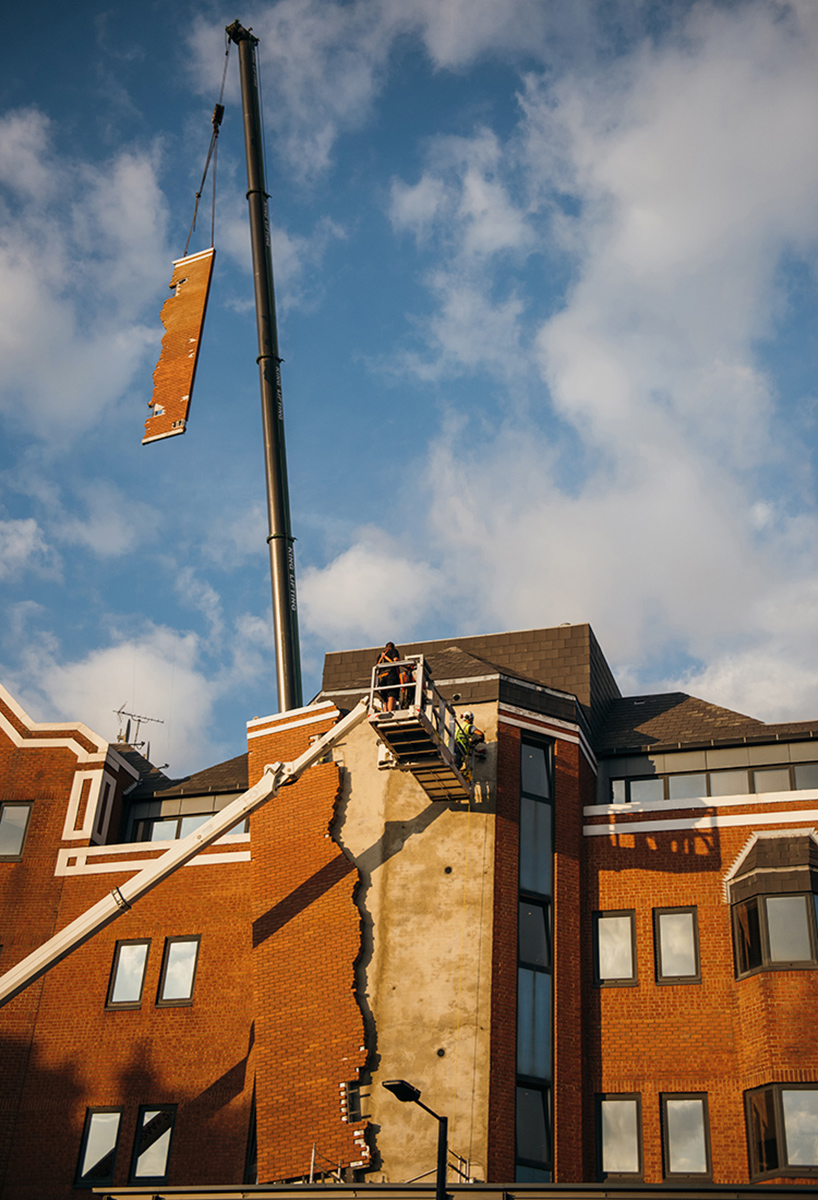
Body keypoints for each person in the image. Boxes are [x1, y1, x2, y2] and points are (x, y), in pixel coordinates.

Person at [375, 642, 401, 712]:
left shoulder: (380, 656)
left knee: (385, 698)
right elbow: (395, 659)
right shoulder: (393, 651)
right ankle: (390, 711)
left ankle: (385, 712)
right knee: (392, 694)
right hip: (391, 675)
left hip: (381, 677)